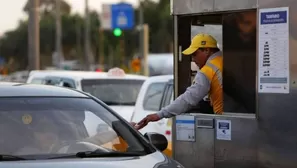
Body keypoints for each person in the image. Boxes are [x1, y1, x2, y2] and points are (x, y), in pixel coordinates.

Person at [135, 33, 223, 130]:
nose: (193, 59)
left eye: (194, 54)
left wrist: (160, 114)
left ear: (207, 50)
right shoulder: (226, 61)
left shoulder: (208, 70)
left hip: (224, 121)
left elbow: (188, 99)